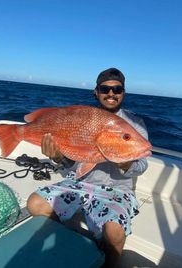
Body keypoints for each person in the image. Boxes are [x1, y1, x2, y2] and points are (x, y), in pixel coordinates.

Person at [27, 68, 150, 267]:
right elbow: (72, 165)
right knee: (35, 203)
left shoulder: (135, 125)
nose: (111, 93)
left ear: (123, 93)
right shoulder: (81, 117)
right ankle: (72, 244)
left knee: (114, 232)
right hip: (79, 184)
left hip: (117, 191)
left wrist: (126, 162)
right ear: (96, 92)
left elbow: (143, 163)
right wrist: (58, 157)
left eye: (117, 89)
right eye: (105, 89)